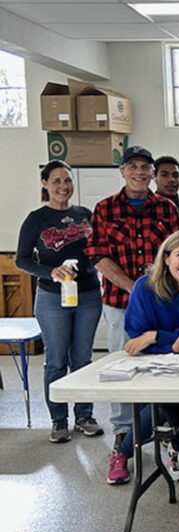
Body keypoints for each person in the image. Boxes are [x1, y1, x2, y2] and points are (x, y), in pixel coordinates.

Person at [85, 145, 179, 483]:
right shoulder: (105, 208)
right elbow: (98, 256)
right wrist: (135, 288)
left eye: (146, 167)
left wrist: (159, 286)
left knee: (164, 372)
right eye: (133, 167)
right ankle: (122, 444)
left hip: (163, 305)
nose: (140, 172)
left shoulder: (166, 209)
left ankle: (171, 442)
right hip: (120, 305)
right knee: (122, 372)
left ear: (153, 173)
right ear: (123, 171)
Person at [108, 230, 179, 484]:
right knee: (177, 412)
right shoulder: (144, 287)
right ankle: (127, 452)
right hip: (157, 364)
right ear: (167, 258)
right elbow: (136, 336)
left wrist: (156, 336)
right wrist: (171, 345)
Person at [16, 160, 103, 443]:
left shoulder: (85, 214)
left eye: (67, 180)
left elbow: (99, 250)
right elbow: (21, 259)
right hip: (53, 298)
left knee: (83, 359)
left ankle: (84, 416)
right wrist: (51, 272)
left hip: (88, 295)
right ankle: (58, 419)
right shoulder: (36, 219)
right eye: (56, 181)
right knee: (55, 361)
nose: (63, 186)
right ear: (45, 184)